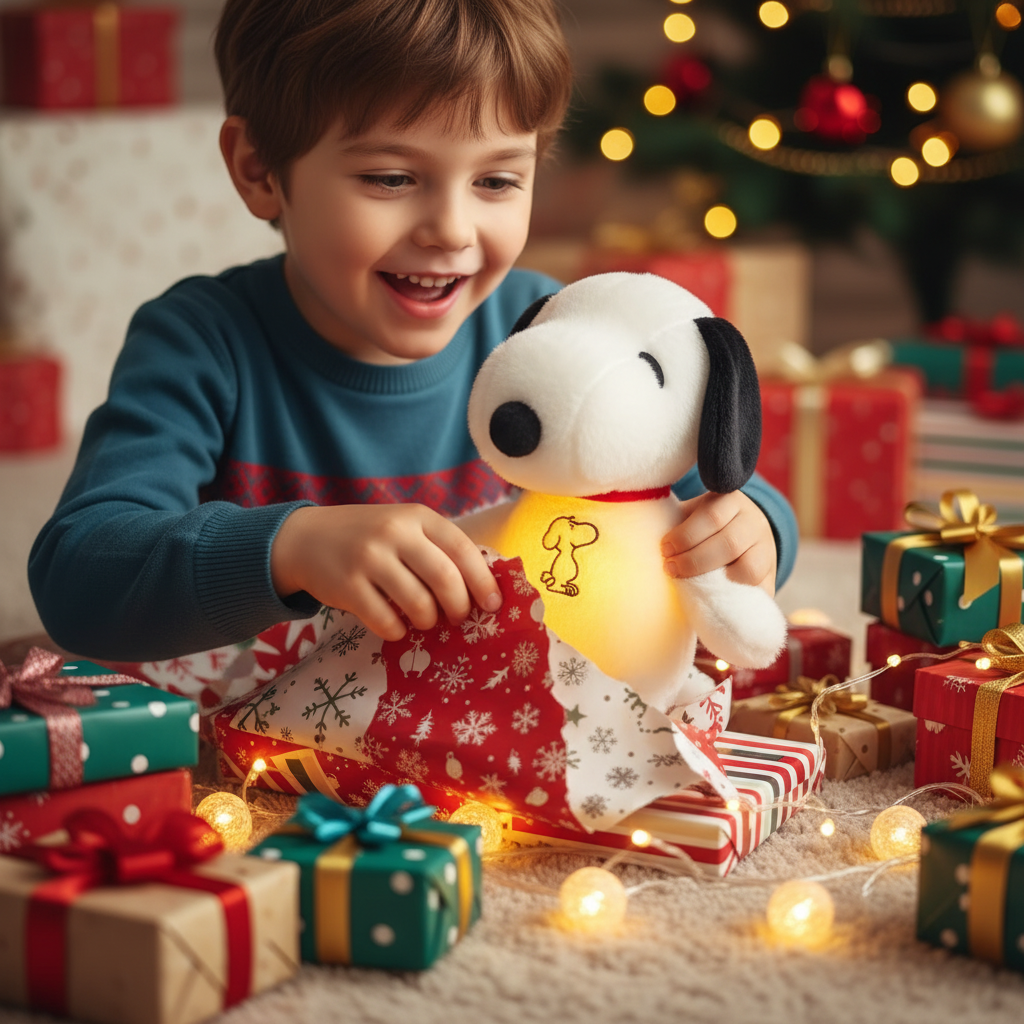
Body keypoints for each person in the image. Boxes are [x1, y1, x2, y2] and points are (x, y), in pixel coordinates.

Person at [29, 0, 796, 670]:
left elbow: (721, 490)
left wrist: (755, 528)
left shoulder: (552, 335)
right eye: (392, 179)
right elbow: (79, 577)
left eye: (496, 180)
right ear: (261, 169)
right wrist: (291, 546)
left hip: (498, 760)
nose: (452, 231)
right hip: (276, 771)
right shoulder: (201, 342)